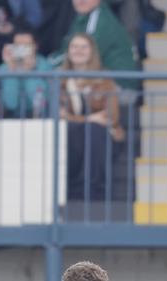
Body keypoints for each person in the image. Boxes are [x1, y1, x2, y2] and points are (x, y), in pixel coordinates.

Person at [60, 32, 123, 201]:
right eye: (74, 46)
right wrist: (88, 119)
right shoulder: (59, 79)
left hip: (101, 138)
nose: (78, 50)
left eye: (83, 47)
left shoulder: (104, 79)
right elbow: (59, 115)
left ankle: (93, 189)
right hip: (71, 138)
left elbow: (112, 116)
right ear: (68, 51)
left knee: (94, 130)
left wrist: (84, 121)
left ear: (91, 51)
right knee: (83, 128)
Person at [57, 0, 139, 90]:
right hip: (98, 81)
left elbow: (82, 54)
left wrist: (47, 65)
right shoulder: (82, 17)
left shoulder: (101, 18)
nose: (80, 1)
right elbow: (65, 49)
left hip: (119, 87)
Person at [0, 21, 51, 117]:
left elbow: (40, 105)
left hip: (39, 120)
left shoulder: (46, 67)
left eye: (26, 45)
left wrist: (29, 72)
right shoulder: (3, 69)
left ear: (35, 46)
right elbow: (11, 104)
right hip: (11, 121)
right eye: (18, 45)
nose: (22, 49)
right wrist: (11, 70)